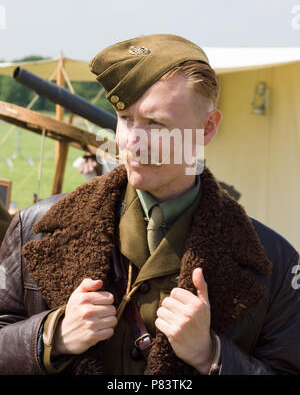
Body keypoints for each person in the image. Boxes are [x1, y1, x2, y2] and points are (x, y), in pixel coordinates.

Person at [0, 34, 299, 376]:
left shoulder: (274, 263)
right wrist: (51, 336)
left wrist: (212, 356)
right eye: (126, 119)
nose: (132, 143)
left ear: (207, 128)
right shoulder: (34, 227)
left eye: (156, 124)